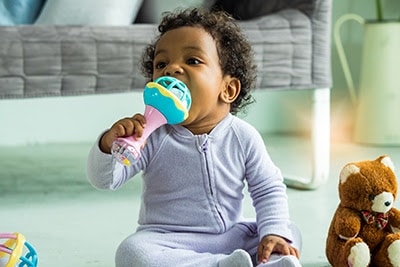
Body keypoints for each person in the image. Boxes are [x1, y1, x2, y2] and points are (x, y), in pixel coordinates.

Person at [87, 8, 302, 267]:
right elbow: (104, 180)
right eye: (161, 64)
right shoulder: (151, 134)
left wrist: (274, 232)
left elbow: (268, 188)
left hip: (231, 237)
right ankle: (220, 265)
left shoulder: (243, 137)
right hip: (168, 240)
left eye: (192, 60)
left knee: (288, 232)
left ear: (228, 89)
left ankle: (270, 262)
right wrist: (110, 145)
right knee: (132, 252)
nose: (172, 69)